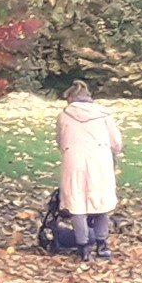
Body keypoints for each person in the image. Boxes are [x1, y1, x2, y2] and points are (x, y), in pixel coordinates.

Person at [55, 80, 123, 260]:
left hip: (74, 160)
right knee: (101, 202)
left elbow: (61, 142)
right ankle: (102, 245)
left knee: (76, 203)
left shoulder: (64, 115)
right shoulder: (104, 114)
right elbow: (116, 143)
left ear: (70, 99)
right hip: (100, 160)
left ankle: (83, 247)